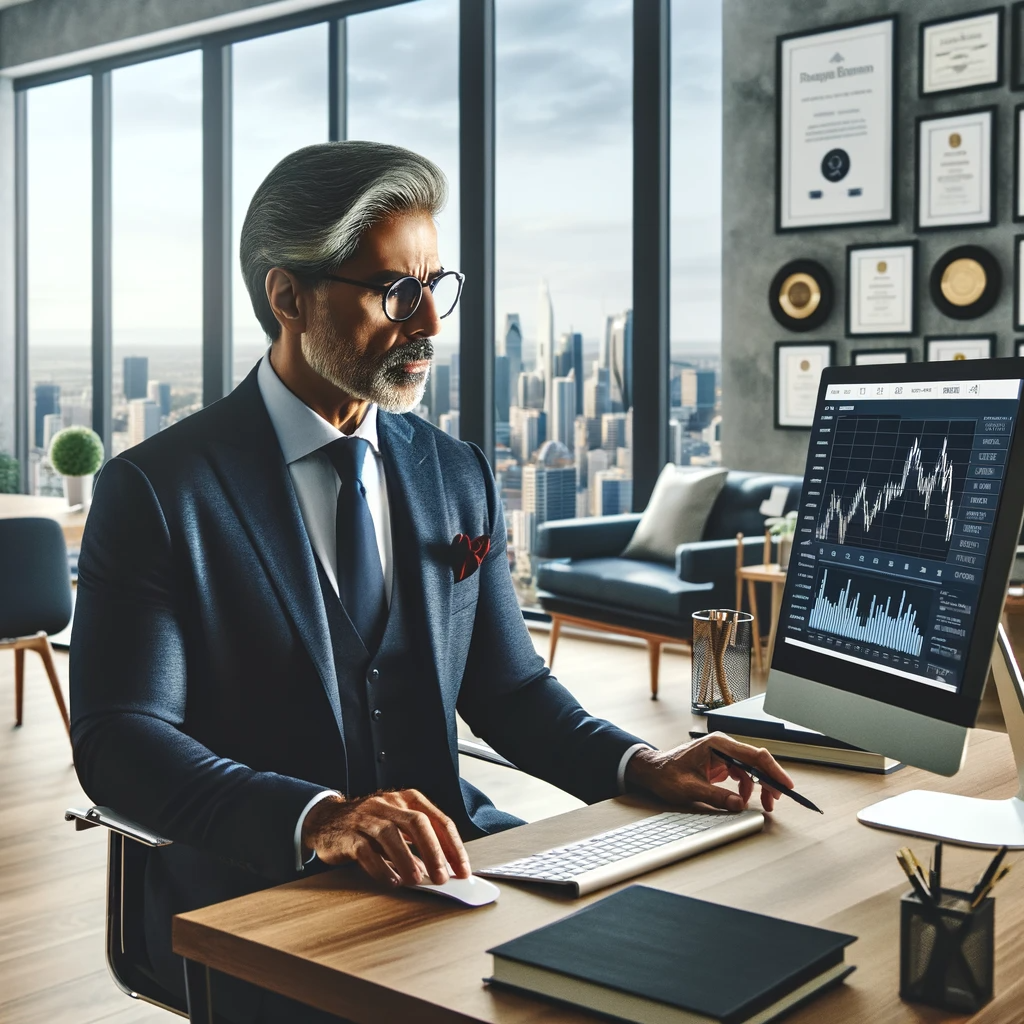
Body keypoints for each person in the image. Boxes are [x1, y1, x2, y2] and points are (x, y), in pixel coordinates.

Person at [70, 141, 793, 1024]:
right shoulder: (158, 491)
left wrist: (638, 762)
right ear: (287, 296)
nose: (430, 327)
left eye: (435, 288)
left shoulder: (456, 474)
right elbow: (121, 741)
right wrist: (320, 817)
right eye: (394, 293)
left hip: (455, 868)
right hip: (258, 897)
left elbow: (511, 687)